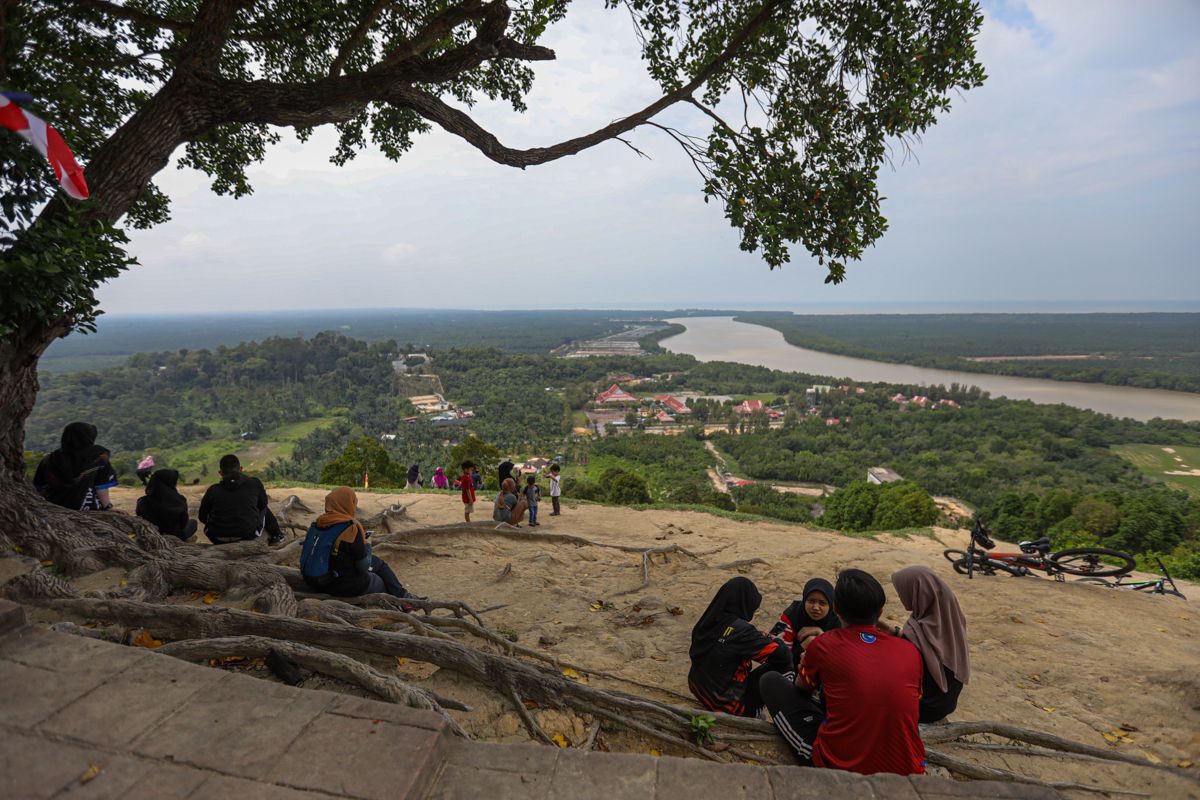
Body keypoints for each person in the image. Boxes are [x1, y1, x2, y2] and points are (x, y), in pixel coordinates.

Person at [759, 569, 925, 775]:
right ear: (880, 612)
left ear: (835, 608)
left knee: (770, 681)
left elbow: (802, 689)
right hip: (908, 768)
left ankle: (811, 759)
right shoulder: (910, 651)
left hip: (841, 766)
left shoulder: (824, 645)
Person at [688, 577, 791, 718]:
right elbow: (782, 656)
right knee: (788, 663)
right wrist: (773, 641)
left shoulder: (709, 620)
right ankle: (785, 717)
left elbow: (726, 646)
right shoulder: (741, 631)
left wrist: (756, 640)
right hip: (726, 704)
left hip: (700, 690)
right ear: (745, 603)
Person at [300, 486, 416, 600]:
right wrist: (368, 544)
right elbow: (363, 567)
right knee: (378, 578)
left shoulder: (317, 524)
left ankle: (403, 596)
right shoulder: (350, 528)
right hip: (342, 585)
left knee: (376, 562)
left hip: (314, 582)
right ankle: (401, 601)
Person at [891, 565, 970, 723]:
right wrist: (895, 632)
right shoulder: (949, 618)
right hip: (945, 703)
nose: (900, 596)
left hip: (926, 708)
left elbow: (915, 648)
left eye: (901, 591)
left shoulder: (916, 630)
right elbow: (928, 648)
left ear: (918, 592)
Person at [198, 454, 284, 545]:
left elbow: (202, 517)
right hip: (247, 535)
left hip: (216, 538)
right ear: (241, 469)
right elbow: (263, 505)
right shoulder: (254, 483)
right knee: (264, 507)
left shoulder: (213, 489)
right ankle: (276, 535)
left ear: (220, 473)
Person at [33, 422, 119, 511]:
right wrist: (108, 506)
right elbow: (101, 485)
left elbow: (39, 485)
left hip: (51, 506)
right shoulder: (99, 456)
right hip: (86, 508)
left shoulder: (50, 458)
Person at [769, 577, 841, 673]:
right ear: (804, 600)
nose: (815, 607)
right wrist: (805, 644)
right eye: (811, 601)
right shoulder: (790, 616)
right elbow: (775, 656)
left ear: (831, 605)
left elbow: (840, 659)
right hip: (790, 670)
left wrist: (821, 636)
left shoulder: (838, 620)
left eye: (822, 603)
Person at [135, 469, 197, 540]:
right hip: (175, 536)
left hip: (151, 534)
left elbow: (140, 517)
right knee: (193, 523)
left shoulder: (142, 501)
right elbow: (183, 522)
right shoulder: (180, 500)